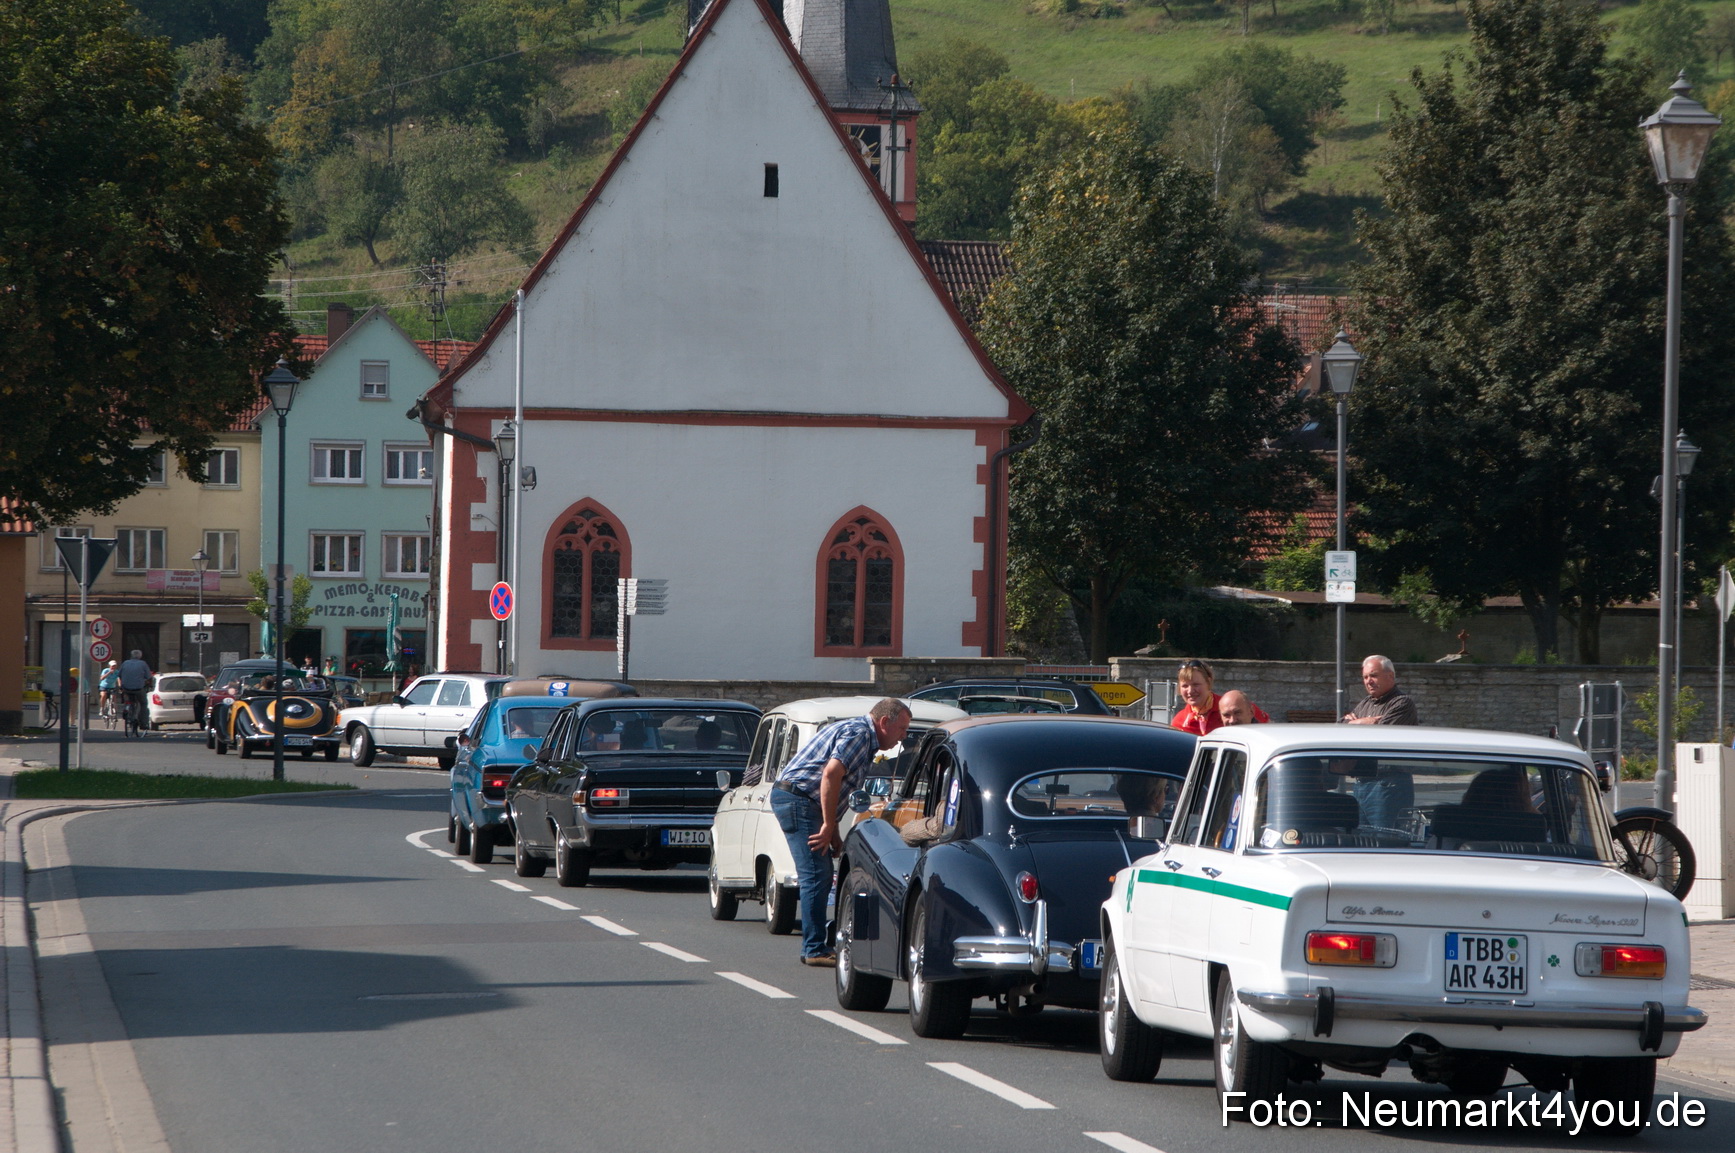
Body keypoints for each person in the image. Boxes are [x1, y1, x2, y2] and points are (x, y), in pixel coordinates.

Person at [770, 698, 912, 965]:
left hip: (800, 800)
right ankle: (814, 949)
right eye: (901, 729)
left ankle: (816, 945)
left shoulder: (862, 734)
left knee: (821, 873)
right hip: (799, 800)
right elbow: (831, 774)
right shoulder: (860, 734)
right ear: (884, 722)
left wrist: (832, 830)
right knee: (816, 873)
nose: (903, 737)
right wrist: (827, 824)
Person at [1169, 660, 1270, 735]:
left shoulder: (1234, 706)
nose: (1190, 691)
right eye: (1185, 686)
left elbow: (1269, 730)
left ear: (1208, 682)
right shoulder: (1179, 722)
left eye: (1196, 684)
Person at [1343, 655, 1418, 725]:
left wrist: (1353, 723)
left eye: (1373, 676)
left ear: (1390, 676)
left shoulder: (1402, 703)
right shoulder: (1366, 703)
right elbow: (1340, 725)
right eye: (1365, 677)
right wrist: (1361, 722)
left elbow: (1381, 733)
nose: (1368, 681)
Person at [116, 649, 152, 724]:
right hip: (138, 688)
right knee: (143, 703)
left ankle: (126, 708)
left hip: (126, 688)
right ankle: (144, 723)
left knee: (128, 700)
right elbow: (149, 676)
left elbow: (119, 675)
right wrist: (149, 684)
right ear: (140, 656)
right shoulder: (143, 664)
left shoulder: (125, 663)